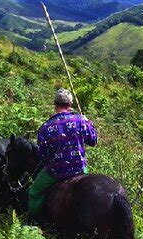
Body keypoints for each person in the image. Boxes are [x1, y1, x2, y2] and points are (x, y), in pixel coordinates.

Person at [28, 88, 98, 217]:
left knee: (34, 192)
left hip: (56, 172)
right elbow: (93, 141)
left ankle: (34, 220)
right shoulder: (80, 121)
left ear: (55, 105)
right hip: (79, 170)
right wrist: (89, 124)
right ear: (70, 105)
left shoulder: (45, 127)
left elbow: (42, 156)